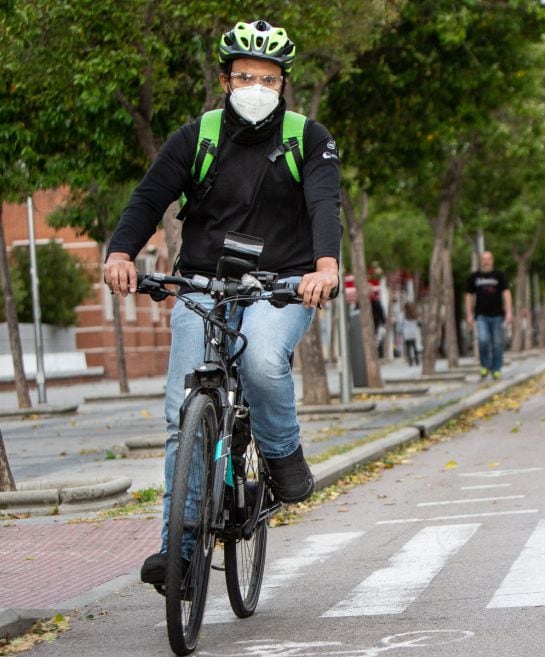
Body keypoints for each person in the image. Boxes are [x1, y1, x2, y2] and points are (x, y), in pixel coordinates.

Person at [102, 20, 342, 585]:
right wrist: (120, 252)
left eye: (268, 77)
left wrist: (325, 267)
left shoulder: (308, 137)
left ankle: (282, 455)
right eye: (244, 76)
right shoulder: (198, 137)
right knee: (177, 414)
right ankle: (180, 555)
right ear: (224, 78)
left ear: (284, 83)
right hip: (203, 285)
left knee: (260, 358)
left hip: (282, 286)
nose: (255, 86)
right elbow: (148, 198)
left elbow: (324, 206)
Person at [465, 251, 513, 379]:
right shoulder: (474, 277)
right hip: (481, 315)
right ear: (481, 261)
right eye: (484, 259)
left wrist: (509, 312)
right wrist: (469, 314)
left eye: (489, 259)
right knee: (483, 340)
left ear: (492, 261)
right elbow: (469, 296)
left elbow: (506, 293)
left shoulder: (499, 276)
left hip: (497, 315)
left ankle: (496, 369)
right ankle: (485, 366)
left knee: (497, 343)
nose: (486, 261)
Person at [400, 301, 422, 367]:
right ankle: (417, 360)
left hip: (407, 333)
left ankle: (410, 362)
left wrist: (401, 331)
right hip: (414, 333)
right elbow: (419, 323)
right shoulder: (415, 315)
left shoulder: (403, 315)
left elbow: (401, 324)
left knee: (408, 348)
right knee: (415, 347)